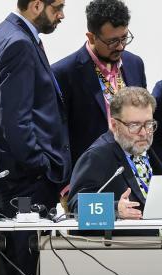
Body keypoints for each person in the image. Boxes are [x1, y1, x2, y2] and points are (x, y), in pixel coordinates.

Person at [0, 0, 67, 275]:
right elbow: (15, 121)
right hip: (23, 182)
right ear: (37, 5)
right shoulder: (19, 44)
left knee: (14, 274)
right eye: (58, 7)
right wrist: (41, 165)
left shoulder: (1, 35)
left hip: (7, 177)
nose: (62, 15)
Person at [53, 0, 146, 166]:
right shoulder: (64, 73)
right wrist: (66, 184)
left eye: (124, 38)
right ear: (91, 37)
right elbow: (57, 135)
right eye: (112, 41)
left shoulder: (135, 64)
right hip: (90, 172)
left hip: (135, 168)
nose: (120, 47)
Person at [69, 87, 162, 221]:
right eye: (134, 125)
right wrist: (114, 209)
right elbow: (76, 207)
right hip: (125, 240)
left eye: (149, 124)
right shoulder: (97, 156)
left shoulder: (145, 147)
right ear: (115, 125)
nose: (144, 133)